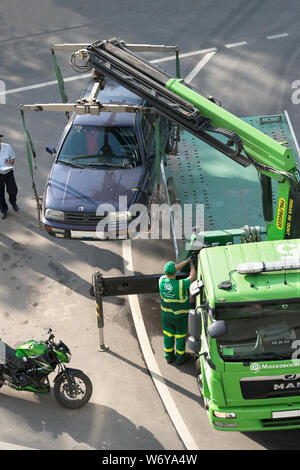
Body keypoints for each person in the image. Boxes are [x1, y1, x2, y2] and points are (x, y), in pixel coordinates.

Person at [159, 257, 196, 365]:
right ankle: (180, 357)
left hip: (166, 316)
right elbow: (192, 277)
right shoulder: (180, 284)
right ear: (174, 272)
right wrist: (192, 265)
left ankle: (168, 356)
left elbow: (173, 270)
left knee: (168, 335)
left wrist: (185, 261)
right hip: (180, 317)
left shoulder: (161, 281)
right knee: (180, 336)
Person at [0, 135, 18, 219]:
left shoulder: (7, 147)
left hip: (8, 172)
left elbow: (12, 157)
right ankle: (4, 210)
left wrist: (10, 163)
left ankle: (13, 202)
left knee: (13, 190)